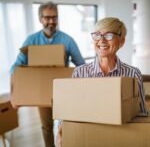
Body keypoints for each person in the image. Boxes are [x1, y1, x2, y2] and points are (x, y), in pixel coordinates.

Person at [55, 17, 148, 147]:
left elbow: (141, 112)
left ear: (121, 41)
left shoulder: (133, 74)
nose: (102, 40)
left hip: (120, 139)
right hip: (87, 138)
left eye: (109, 35)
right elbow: (68, 111)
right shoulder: (80, 73)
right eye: (97, 35)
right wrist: (60, 132)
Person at [10, 1, 85, 147]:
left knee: (68, 125)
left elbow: (81, 65)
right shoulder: (32, 40)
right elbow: (15, 68)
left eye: (54, 17)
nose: (51, 21)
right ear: (40, 19)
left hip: (63, 91)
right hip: (42, 91)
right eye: (47, 17)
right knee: (47, 126)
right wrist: (15, 95)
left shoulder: (67, 40)